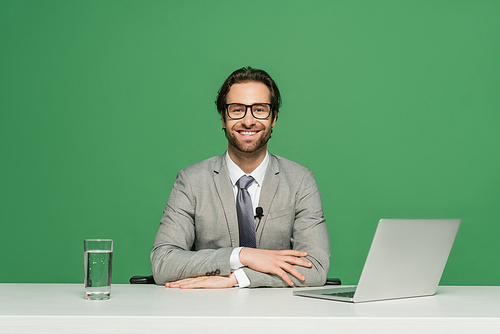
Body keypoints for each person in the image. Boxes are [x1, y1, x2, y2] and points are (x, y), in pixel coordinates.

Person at [151, 67, 330, 288]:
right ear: (223, 118)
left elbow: (316, 268)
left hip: (279, 316)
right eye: (237, 110)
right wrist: (241, 255)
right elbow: (163, 263)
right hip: (210, 313)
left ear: (273, 118)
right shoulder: (191, 181)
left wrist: (238, 278)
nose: (248, 121)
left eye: (259, 110)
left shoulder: (301, 181)